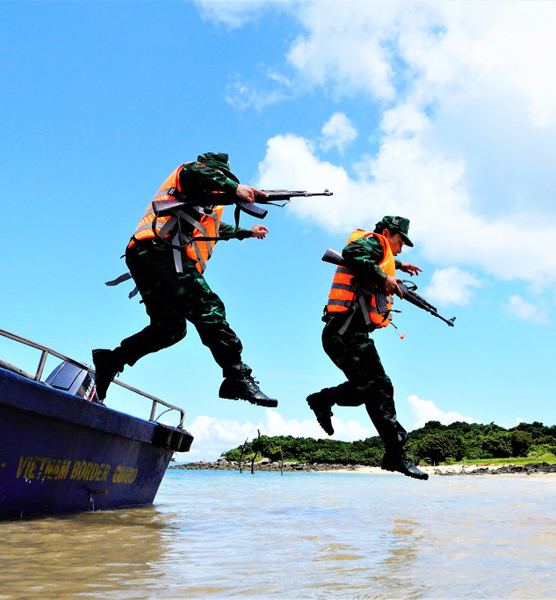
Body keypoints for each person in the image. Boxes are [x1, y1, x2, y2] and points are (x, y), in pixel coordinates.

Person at [93, 152, 276, 407]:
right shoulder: (191, 173)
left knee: (170, 329)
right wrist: (234, 188)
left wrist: (247, 231)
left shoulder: (199, 204)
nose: (221, 181)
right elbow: (198, 173)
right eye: (221, 176)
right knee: (208, 307)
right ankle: (236, 374)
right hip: (159, 251)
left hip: (147, 256)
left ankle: (111, 360)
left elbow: (215, 228)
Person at [306, 216, 429, 480]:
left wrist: (397, 265)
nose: (399, 248)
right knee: (380, 387)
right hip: (345, 331)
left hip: (345, 333)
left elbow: (373, 259)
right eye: (399, 243)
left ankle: (323, 400)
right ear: (387, 233)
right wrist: (383, 275)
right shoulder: (374, 241)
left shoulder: (380, 251)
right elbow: (353, 252)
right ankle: (395, 453)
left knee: (372, 391)